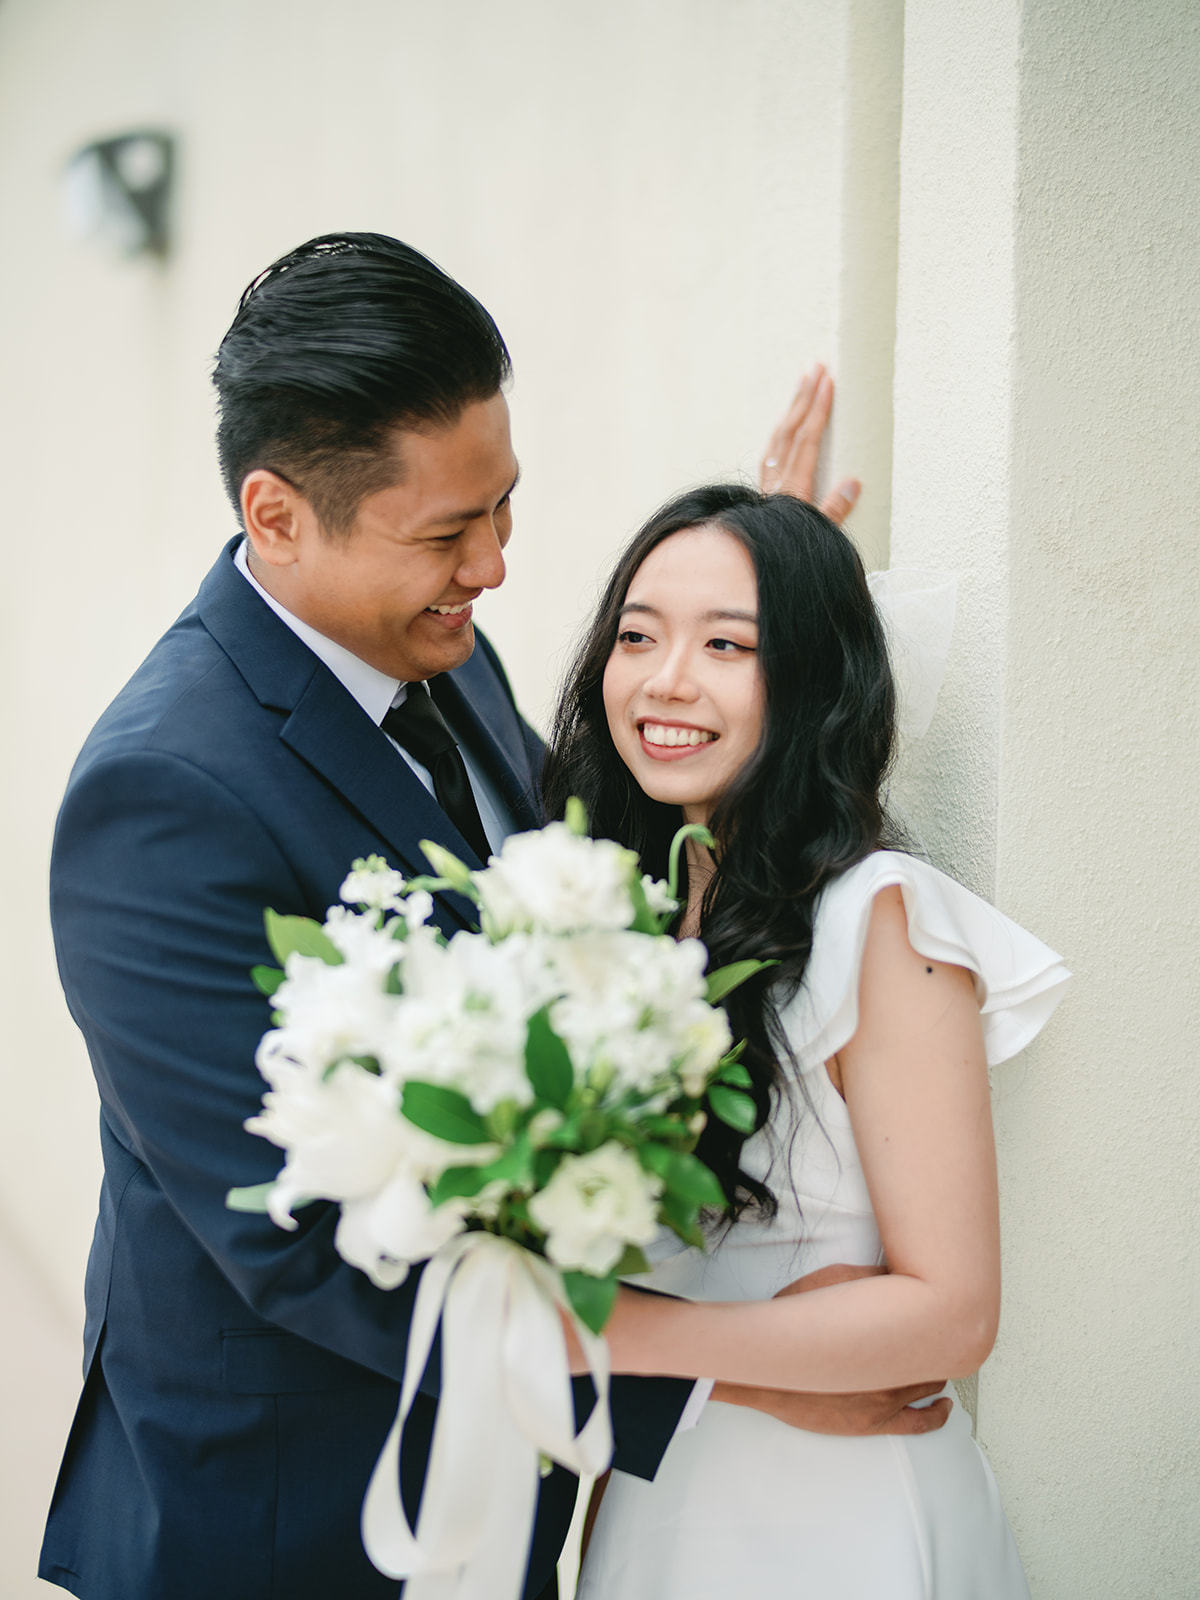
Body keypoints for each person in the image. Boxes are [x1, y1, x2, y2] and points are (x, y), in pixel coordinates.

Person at [39, 232, 941, 1600]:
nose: (497, 565)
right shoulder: (159, 796)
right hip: (286, 1521)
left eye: (505, 507)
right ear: (276, 517)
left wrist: (758, 615)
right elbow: (296, 1253)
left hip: (506, 1496)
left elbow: (580, 877)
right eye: (448, 534)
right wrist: (724, 1379)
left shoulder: (438, 649)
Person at [542, 485, 1071, 1598]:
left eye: (729, 644)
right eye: (638, 634)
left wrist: (614, 1332)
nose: (666, 678)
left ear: (811, 679)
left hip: (836, 1515)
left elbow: (954, 1311)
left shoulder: (878, 917)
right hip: (659, 1499)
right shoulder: (625, 915)